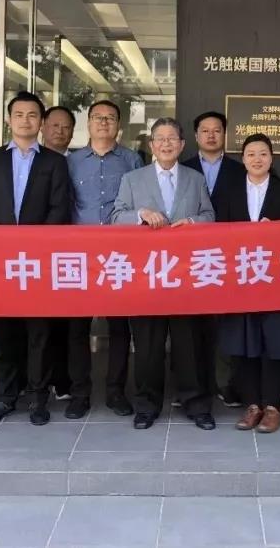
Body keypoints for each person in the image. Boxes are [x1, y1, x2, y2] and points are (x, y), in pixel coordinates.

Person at [111, 118, 216, 430]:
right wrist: (140, 214)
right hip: (146, 276)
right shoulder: (133, 179)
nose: (166, 144)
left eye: (172, 138)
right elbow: (116, 216)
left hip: (186, 276)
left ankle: (196, 405)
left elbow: (210, 215)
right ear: (151, 145)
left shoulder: (195, 179)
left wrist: (193, 222)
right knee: (147, 346)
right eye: (160, 138)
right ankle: (146, 405)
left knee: (189, 346)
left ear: (182, 145)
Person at [0, 91, 71, 426]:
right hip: (0, 261)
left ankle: (38, 398)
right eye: (19, 114)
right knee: (3, 332)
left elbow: (59, 209)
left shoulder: (54, 162)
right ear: (8, 120)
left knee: (39, 332)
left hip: (39, 261)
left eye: (32, 115)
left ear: (41, 122)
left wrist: (35, 245)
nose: (25, 120)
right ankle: (5, 397)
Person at [217, 134, 280, 434]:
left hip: (276, 281)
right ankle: (252, 405)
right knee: (245, 343)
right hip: (241, 278)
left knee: (275, 343)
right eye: (251, 154)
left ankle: (272, 407)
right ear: (242, 159)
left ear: (272, 158)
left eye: (263, 153)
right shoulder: (229, 191)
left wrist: (277, 232)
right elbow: (216, 234)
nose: (257, 159)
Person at [65, 99, 142, 419]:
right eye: (98, 117)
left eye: (110, 118)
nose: (104, 122)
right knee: (77, 327)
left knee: (120, 327)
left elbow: (139, 202)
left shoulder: (132, 159)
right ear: (89, 123)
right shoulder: (71, 161)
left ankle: (115, 391)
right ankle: (79, 393)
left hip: (118, 254)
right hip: (79, 254)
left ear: (118, 125)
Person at [182, 110, 247, 408]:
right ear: (195, 136)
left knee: (225, 322)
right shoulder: (182, 169)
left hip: (228, 256)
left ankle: (225, 384)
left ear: (225, 134)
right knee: (190, 324)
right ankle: (191, 384)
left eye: (217, 130)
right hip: (188, 257)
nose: (211, 135)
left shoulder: (240, 170)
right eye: (205, 130)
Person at [41, 105, 77, 402]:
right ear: (43, 127)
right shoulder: (33, 160)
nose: (60, 131)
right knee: (40, 321)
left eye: (66, 127)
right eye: (54, 125)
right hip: (36, 252)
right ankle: (37, 380)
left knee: (66, 322)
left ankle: (62, 379)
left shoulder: (77, 162)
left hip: (72, 253)